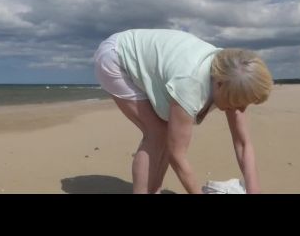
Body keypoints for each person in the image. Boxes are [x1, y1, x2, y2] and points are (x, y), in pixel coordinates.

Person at [93, 29, 273, 194]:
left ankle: (153, 189)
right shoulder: (191, 85)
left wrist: (253, 189)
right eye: (237, 103)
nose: (240, 110)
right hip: (116, 57)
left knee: (165, 131)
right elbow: (176, 154)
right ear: (219, 84)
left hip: (159, 61)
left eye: (245, 104)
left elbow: (242, 144)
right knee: (157, 133)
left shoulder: (231, 75)